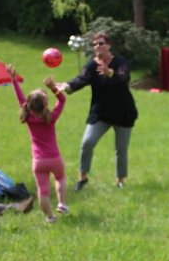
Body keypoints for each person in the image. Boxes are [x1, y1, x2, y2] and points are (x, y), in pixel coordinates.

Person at [56, 32, 138, 190]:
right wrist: (67, 86)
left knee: (121, 149)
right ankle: (82, 178)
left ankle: (120, 181)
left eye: (101, 43)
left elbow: (124, 79)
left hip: (123, 113)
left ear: (109, 45)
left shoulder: (120, 62)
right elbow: (82, 79)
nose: (97, 46)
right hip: (101, 113)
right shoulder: (91, 66)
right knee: (87, 142)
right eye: (94, 44)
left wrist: (110, 73)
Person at [9, 66, 69, 223]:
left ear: (29, 105)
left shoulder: (28, 118)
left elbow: (20, 99)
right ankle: (62, 204)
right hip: (54, 158)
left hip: (38, 161)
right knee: (60, 178)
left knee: (43, 191)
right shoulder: (51, 117)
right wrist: (53, 88)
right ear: (45, 104)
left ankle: (50, 218)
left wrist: (14, 79)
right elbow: (62, 100)